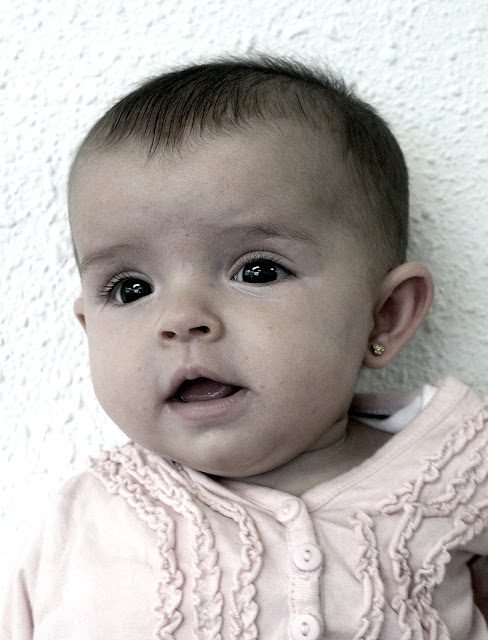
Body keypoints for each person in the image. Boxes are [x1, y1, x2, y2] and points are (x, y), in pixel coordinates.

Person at [2, 56, 487, 640]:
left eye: (257, 271)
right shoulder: (82, 525)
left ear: (384, 315)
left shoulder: (458, 477)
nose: (181, 320)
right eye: (131, 289)